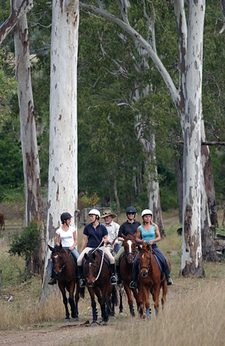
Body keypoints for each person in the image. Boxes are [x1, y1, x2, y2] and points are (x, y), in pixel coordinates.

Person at [129, 209, 173, 289]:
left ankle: (168, 277)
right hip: (144, 248)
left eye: (149, 216)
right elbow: (137, 239)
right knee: (135, 262)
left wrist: (153, 240)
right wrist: (142, 241)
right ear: (143, 218)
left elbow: (159, 237)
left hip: (153, 247)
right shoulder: (140, 228)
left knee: (164, 259)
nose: (148, 218)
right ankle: (134, 281)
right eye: (146, 217)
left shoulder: (154, 226)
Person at [77, 208, 117, 287]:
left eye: (92, 216)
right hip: (89, 247)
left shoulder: (103, 228)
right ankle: (82, 279)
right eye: (90, 216)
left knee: (112, 259)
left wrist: (105, 240)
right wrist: (81, 250)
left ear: (97, 217)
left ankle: (112, 276)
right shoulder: (87, 227)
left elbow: (106, 237)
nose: (90, 218)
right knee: (79, 260)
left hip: (101, 247)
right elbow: (84, 239)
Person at [48, 212, 79, 285]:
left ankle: (80, 276)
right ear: (64, 220)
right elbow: (57, 241)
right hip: (62, 249)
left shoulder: (72, 229)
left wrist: (72, 246)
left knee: (78, 259)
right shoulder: (58, 231)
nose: (70, 220)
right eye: (69, 219)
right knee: (52, 260)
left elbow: (76, 240)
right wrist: (59, 246)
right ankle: (52, 277)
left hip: (71, 248)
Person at [115, 206, 141, 284]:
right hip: (126, 246)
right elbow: (119, 237)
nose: (131, 215)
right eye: (129, 214)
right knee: (116, 258)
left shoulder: (138, 224)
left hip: (137, 245)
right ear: (127, 215)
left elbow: (141, 235)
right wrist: (126, 240)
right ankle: (119, 276)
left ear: (134, 215)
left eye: (132, 213)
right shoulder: (123, 225)